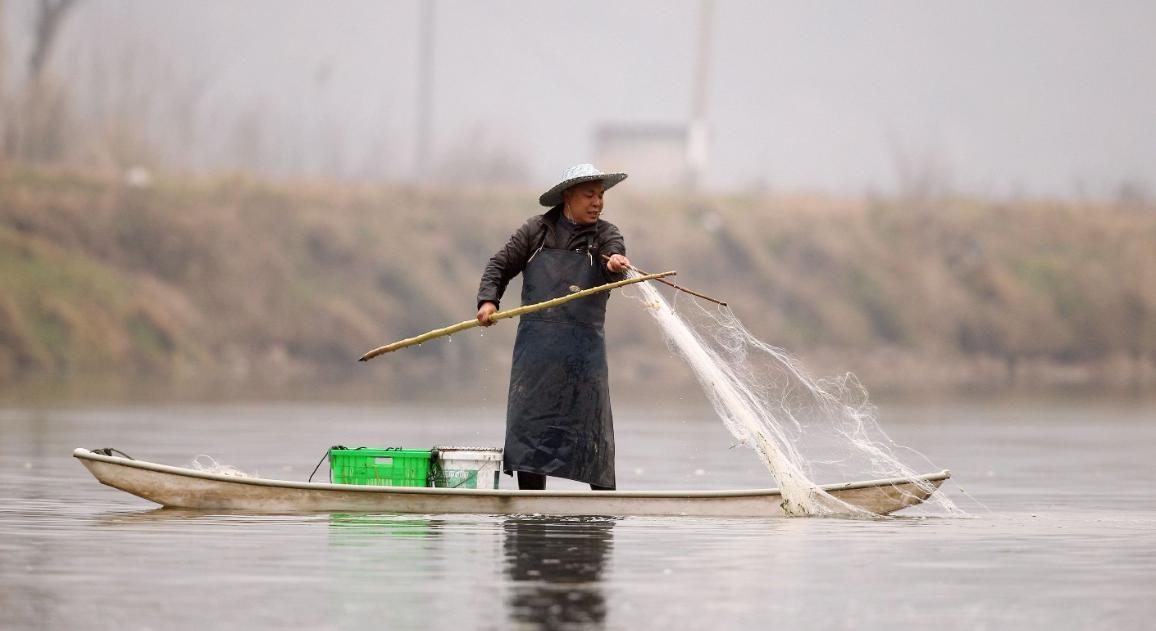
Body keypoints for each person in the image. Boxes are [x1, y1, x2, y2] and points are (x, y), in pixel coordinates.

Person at [476, 164, 632, 491]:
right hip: (537, 359)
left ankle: (601, 514)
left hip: (584, 361)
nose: (597, 202)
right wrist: (488, 302)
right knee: (531, 437)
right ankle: (531, 510)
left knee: (593, 439)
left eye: (601, 195)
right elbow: (499, 266)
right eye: (589, 195)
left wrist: (615, 263)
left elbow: (613, 259)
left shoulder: (605, 235)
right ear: (567, 197)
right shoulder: (536, 231)